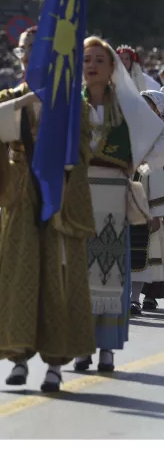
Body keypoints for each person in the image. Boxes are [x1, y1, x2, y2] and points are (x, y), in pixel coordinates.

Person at [0, 27, 97, 393]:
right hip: (22, 197)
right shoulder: (12, 97)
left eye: (36, 50)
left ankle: (55, 366)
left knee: (57, 277)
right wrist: (25, 104)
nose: (28, 55)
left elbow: (83, 149)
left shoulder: (73, 104)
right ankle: (19, 357)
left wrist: (64, 157)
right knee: (19, 275)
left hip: (57, 196)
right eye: (25, 49)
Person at [74, 37, 164, 373]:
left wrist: (137, 163)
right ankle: (81, 345)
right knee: (78, 276)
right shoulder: (70, 106)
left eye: (100, 59)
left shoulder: (128, 107)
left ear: (113, 67)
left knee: (109, 276)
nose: (92, 65)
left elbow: (157, 141)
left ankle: (107, 348)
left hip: (113, 196)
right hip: (77, 196)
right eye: (86, 59)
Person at [131, 90, 164, 315]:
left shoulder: (159, 136)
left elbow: (157, 174)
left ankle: (137, 299)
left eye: (148, 104)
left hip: (146, 203)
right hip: (120, 199)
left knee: (142, 252)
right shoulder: (126, 130)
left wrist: (156, 212)